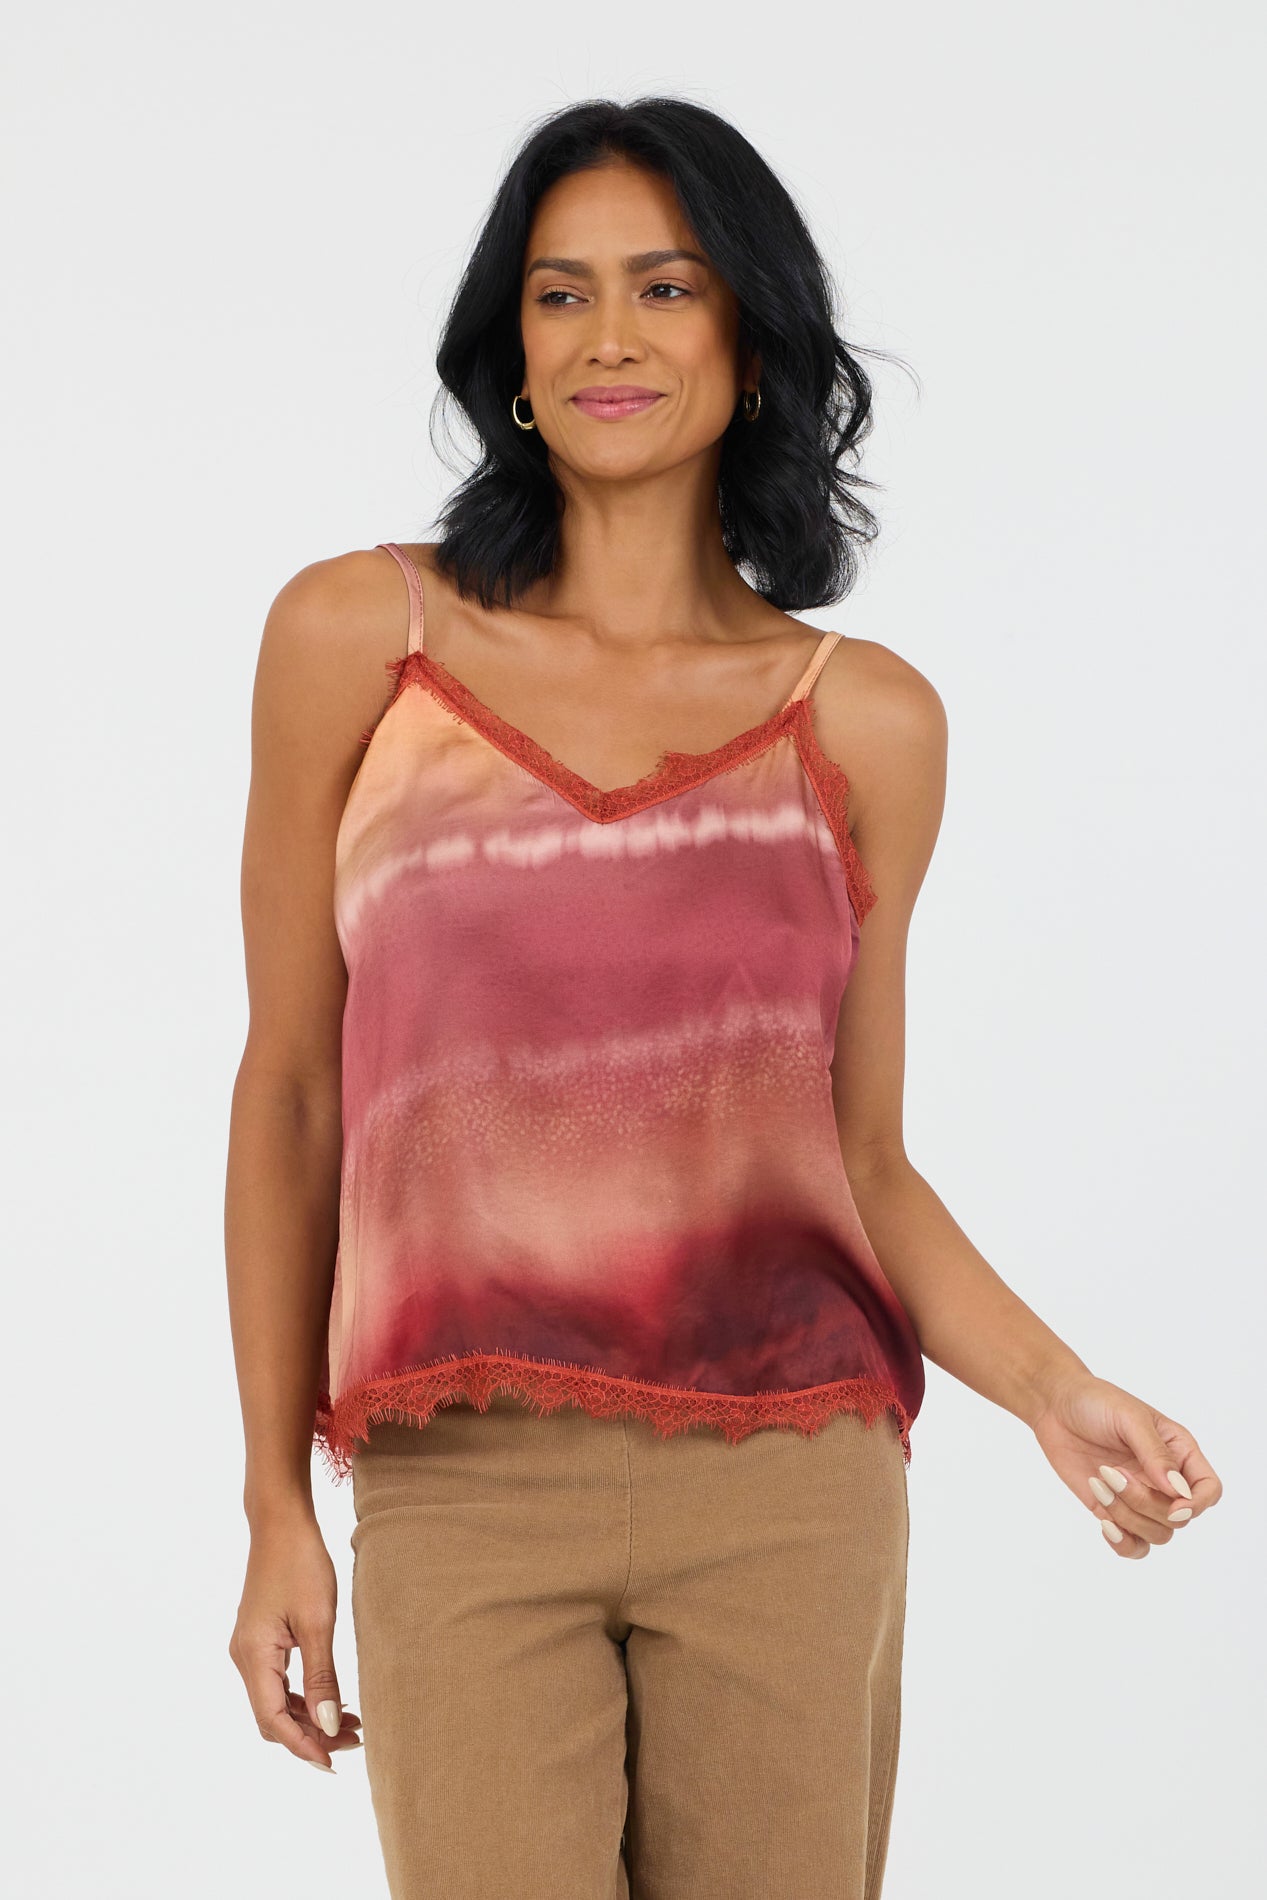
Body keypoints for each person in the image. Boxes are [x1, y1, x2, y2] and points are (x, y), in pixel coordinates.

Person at [225, 96, 1222, 1900]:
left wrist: (1054, 1389)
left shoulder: (866, 721)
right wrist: (272, 1502)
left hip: (790, 1483)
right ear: (512, 355)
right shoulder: (358, 645)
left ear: (751, 345)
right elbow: (291, 1091)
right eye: (561, 294)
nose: (609, 336)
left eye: (667, 288)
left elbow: (864, 1160)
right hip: (463, 1480)